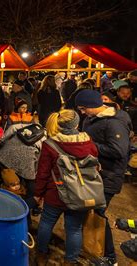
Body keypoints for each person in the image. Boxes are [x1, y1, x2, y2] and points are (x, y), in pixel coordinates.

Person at [34, 109, 98, 265]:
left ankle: (41, 255)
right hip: (79, 194)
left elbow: (43, 172)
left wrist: (38, 194)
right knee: (74, 229)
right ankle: (70, 260)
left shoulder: (50, 144)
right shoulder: (88, 143)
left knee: (46, 223)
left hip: (55, 192)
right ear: (77, 123)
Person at [75, 89, 131, 265]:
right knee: (92, 212)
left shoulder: (114, 123)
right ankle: (95, 248)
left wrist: (89, 145)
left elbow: (119, 150)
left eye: (84, 109)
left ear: (93, 105)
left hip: (108, 177)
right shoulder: (93, 118)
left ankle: (109, 256)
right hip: (96, 174)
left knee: (99, 214)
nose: (82, 113)